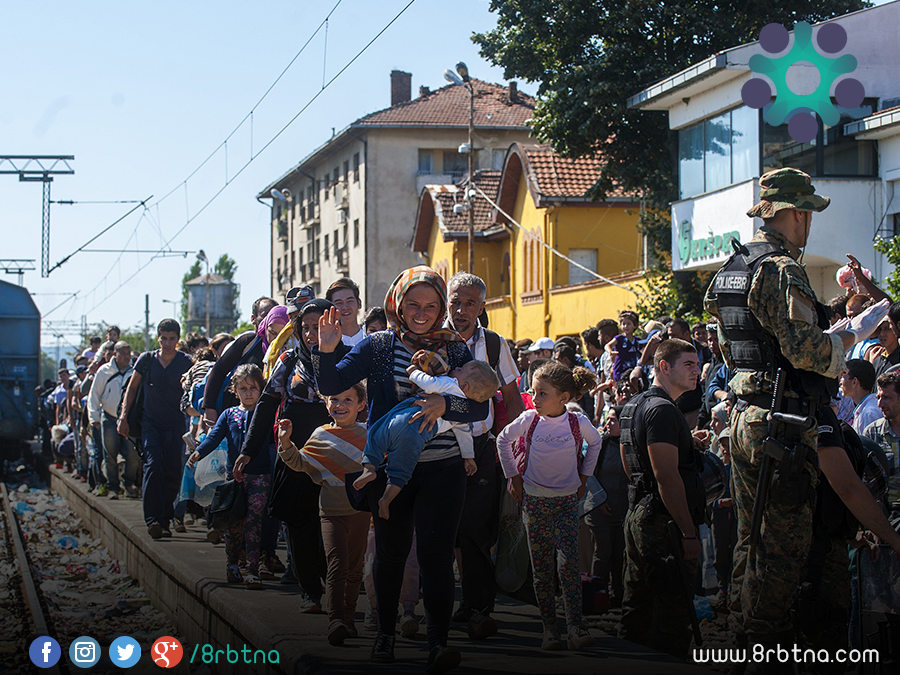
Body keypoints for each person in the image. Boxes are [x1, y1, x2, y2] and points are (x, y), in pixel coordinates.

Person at [703, 168, 888, 669]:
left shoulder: (736, 265)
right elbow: (804, 350)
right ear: (791, 213)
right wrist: (854, 333)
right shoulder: (781, 268)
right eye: (806, 212)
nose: (809, 222)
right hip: (779, 422)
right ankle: (761, 647)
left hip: (745, 417)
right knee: (781, 552)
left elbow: (744, 337)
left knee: (750, 538)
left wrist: (835, 310)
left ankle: (739, 633)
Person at [313, 266, 489, 673]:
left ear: (442, 306)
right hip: (391, 470)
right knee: (390, 555)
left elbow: (481, 404)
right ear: (397, 303)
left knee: (435, 555)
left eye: (431, 305)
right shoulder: (377, 346)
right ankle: (385, 636)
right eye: (413, 304)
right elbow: (330, 383)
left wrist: (448, 405)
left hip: (443, 468)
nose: (422, 313)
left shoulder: (457, 349)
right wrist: (326, 349)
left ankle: (438, 642)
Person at [236, 298, 344, 614]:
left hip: (334, 448)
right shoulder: (287, 360)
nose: (312, 334)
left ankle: (334, 583)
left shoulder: (347, 360)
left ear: (333, 326)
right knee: (299, 520)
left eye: (318, 327)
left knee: (333, 518)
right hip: (295, 446)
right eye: (306, 328)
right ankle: (309, 590)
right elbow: (267, 404)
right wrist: (248, 450)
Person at [497, 360, 601, 651]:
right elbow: (503, 441)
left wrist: (584, 476)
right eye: (533, 392)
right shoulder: (529, 420)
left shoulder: (577, 423)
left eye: (542, 393)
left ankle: (576, 627)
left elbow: (596, 443)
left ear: (563, 398)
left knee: (568, 565)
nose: (535, 399)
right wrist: (513, 477)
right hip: (534, 502)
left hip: (567, 502)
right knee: (541, 568)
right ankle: (549, 628)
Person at [444, 271, 524, 639]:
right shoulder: (429, 338)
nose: (460, 310)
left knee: (477, 530)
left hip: (480, 445)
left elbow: (510, 397)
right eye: (455, 301)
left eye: (469, 303)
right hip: (437, 446)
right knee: (440, 529)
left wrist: (515, 450)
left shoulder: (493, 345)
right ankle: (437, 604)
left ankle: (477, 607)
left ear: (482, 307)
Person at [616, 339, 706, 660]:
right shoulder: (663, 411)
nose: (697, 371)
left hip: (640, 512)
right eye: (688, 364)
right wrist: (688, 532)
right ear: (664, 367)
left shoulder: (636, 405)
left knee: (637, 608)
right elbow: (666, 476)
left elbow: (630, 464)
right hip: (663, 522)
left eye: (697, 364)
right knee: (671, 613)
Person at [276, 384, 369, 645]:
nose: (340, 404)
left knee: (354, 569)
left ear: (360, 405)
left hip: (361, 512)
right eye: (334, 399)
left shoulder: (369, 434)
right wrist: (285, 441)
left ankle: (349, 617)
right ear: (326, 403)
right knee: (336, 564)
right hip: (330, 512)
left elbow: (382, 463)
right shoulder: (321, 434)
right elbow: (300, 462)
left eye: (348, 399)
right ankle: (336, 619)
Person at [355, 354, 498, 519]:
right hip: (419, 433)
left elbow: (429, 383)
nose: (455, 368)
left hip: (406, 416)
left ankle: (369, 468)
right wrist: (469, 457)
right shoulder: (460, 412)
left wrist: (413, 371)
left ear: (464, 386)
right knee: (402, 466)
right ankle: (386, 499)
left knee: (376, 433)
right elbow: (464, 433)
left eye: (460, 369)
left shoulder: (450, 384)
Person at [188, 364, 272, 588]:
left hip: (260, 475)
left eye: (253, 388)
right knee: (233, 523)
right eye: (243, 388)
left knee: (253, 521)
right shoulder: (229, 414)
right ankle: (232, 565)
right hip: (233, 479)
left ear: (261, 389)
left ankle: (253, 570)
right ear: (235, 391)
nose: (248, 393)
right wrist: (198, 453)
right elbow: (213, 438)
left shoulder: (267, 414)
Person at [118, 319, 193, 539]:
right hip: (150, 424)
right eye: (164, 338)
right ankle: (152, 519)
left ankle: (165, 518)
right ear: (158, 338)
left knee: (172, 472)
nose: (168, 343)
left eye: (172, 339)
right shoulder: (146, 360)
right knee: (153, 466)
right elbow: (132, 389)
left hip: (176, 425)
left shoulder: (185, 363)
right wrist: (123, 417)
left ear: (178, 340)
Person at [88, 341, 140, 499]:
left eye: (128, 353)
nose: (126, 357)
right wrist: (94, 417)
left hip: (128, 419)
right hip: (109, 418)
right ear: (115, 354)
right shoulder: (104, 371)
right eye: (122, 353)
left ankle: (128, 482)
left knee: (133, 454)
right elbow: (94, 395)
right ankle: (112, 487)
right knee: (109, 454)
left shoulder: (134, 372)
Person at [863, 370, 900, 504]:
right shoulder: (873, 433)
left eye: (887, 397)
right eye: (879, 397)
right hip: (888, 513)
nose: (879, 404)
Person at [840, 359, 880, 435]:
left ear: (854, 381)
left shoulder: (869, 413)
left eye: (844, 374)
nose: (840, 381)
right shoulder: (863, 409)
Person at [327, 278, 366, 348]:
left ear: (359, 303)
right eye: (339, 303)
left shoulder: (370, 337)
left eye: (350, 301)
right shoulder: (327, 342)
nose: (345, 307)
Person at [611, 311, 641, 382]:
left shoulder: (637, 340)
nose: (626, 326)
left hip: (633, 369)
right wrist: (610, 351)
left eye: (629, 324)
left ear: (635, 325)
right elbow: (608, 345)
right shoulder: (619, 338)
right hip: (620, 370)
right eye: (623, 324)